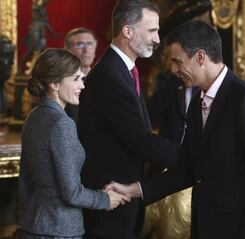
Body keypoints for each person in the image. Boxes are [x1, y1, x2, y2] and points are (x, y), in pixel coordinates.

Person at [107, 20, 245, 239]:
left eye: (177, 62)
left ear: (200, 57)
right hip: (207, 228)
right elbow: (188, 169)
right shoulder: (196, 102)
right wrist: (134, 190)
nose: (173, 70)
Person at [78, 0, 179, 238]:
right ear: (127, 30)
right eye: (152, 30)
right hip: (110, 199)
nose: (157, 39)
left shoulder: (122, 71)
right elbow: (140, 140)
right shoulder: (110, 77)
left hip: (122, 198)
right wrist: (190, 156)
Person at [17, 48, 128, 238]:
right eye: (76, 79)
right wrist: (105, 199)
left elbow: (25, 182)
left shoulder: (33, 117)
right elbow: (72, 193)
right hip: (59, 229)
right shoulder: (61, 124)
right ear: (54, 84)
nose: (82, 86)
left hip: (31, 225)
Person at [64, 27, 97, 123]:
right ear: (67, 50)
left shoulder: (105, 79)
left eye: (90, 44)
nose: (86, 50)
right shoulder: (61, 83)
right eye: (80, 45)